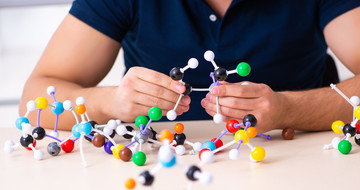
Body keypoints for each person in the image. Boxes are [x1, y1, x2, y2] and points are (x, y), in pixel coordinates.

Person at [19, 0, 360, 133]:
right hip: (156, 178)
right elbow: (35, 100)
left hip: (301, 162)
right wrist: (111, 103)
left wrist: (291, 109)